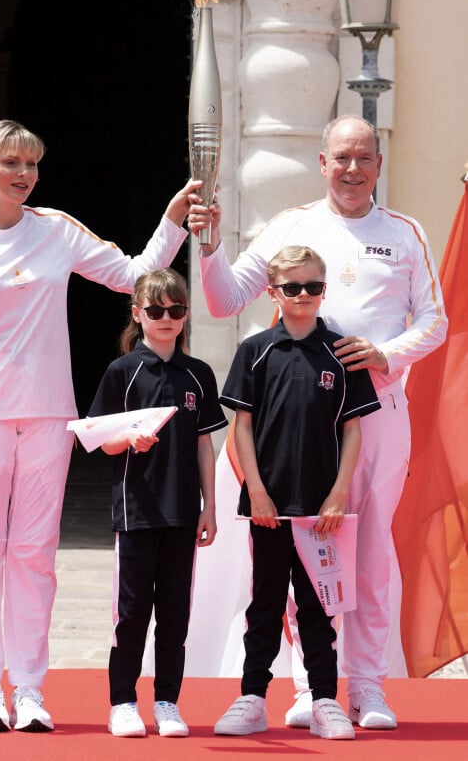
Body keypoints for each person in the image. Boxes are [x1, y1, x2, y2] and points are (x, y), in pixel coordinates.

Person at [0, 119, 195, 733]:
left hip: (49, 412)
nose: (23, 175)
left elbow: (132, 275)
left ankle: (30, 687)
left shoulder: (58, 232)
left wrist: (173, 220)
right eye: (11, 163)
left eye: (32, 165)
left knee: (36, 554)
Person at [188, 115, 447, 730]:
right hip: (301, 423)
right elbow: (225, 300)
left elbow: (433, 321)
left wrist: (389, 355)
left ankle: (370, 687)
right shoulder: (292, 228)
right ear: (322, 163)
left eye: (364, 158)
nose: (352, 169)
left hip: (376, 413)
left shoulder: (405, 233)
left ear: (378, 164)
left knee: (372, 552)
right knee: (305, 549)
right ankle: (311, 685)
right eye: (341, 158)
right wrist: (210, 244)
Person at [214, 245, 380, 741]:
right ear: (273, 293)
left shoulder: (343, 352)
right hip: (269, 510)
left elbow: (353, 430)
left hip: (321, 514)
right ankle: (252, 698)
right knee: (263, 603)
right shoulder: (256, 350)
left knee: (318, 606)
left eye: (313, 286)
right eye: (292, 287)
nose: (303, 295)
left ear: (323, 290)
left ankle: (325, 699)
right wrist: (256, 491)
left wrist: (338, 493)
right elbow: (241, 427)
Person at [87, 268, 227, 738]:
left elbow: (206, 444)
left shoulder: (198, 374)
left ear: (186, 315)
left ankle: (167, 701)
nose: (166, 319)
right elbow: (98, 440)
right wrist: (129, 438)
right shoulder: (122, 372)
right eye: (156, 311)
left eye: (176, 310)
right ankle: (122, 701)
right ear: (137, 314)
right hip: (135, 511)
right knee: (130, 614)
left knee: (174, 614)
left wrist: (210, 506)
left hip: (183, 511)